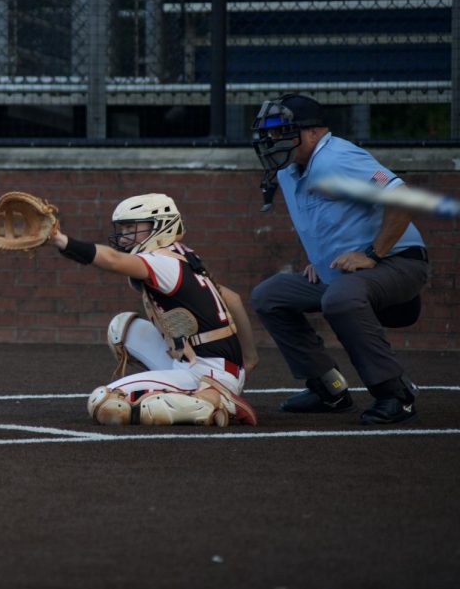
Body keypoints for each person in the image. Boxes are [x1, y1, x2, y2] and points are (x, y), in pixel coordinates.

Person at [250, 93, 429, 425]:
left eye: (283, 132)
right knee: (270, 295)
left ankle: (396, 395)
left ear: (315, 132)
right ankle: (328, 390)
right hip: (343, 273)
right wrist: (320, 260)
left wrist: (374, 253)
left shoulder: (336, 157)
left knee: (341, 298)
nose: (274, 140)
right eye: (272, 133)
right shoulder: (290, 170)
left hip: (399, 262)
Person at [50, 194, 259, 427]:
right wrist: (249, 358)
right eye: (124, 227)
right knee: (121, 329)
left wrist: (62, 241)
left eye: (132, 227)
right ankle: (186, 387)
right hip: (208, 361)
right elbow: (234, 299)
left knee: (104, 402)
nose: (125, 234)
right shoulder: (181, 253)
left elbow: (113, 260)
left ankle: (213, 400)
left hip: (209, 371)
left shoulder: (161, 261)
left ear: (161, 225)